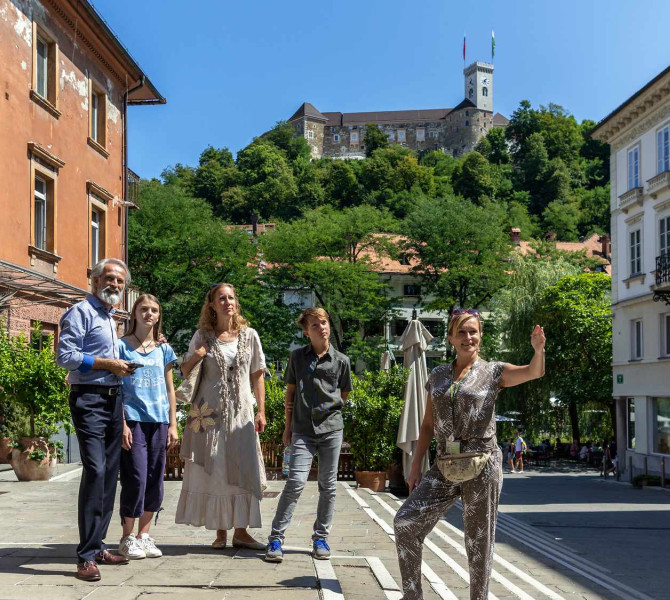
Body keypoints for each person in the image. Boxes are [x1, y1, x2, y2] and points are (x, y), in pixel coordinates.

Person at [393, 308, 545, 600]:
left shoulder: (493, 372)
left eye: (473, 331)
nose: (468, 337)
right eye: (461, 332)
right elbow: (427, 424)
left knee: (478, 542)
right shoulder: (437, 375)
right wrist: (415, 466)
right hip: (444, 463)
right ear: (451, 337)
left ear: (480, 335)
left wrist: (538, 350)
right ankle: (412, 596)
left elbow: (533, 371)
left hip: (482, 463)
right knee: (406, 522)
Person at [57, 258, 136, 582]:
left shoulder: (110, 317)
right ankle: (85, 557)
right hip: (88, 399)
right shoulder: (80, 312)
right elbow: (66, 356)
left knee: (109, 474)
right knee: (96, 469)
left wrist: (122, 365)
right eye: (109, 278)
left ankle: (99, 545)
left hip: (112, 399)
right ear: (93, 280)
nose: (115, 285)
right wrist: (107, 364)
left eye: (120, 281)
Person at [175, 284, 267, 550]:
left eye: (231, 297)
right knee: (215, 468)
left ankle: (241, 531)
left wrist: (261, 410)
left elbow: (257, 374)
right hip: (209, 414)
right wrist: (200, 353)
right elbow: (185, 370)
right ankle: (220, 532)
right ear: (212, 305)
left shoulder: (250, 336)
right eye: (221, 298)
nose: (227, 302)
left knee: (242, 466)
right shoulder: (202, 335)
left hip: (241, 414)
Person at [265, 307, 353, 563]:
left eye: (324, 322)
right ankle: (276, 538)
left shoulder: (342, 361)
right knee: (295, 483)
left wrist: (329, 412)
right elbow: (290, 393)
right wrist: (287, 426)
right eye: (315, 325)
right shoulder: (297, 358)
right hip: (302, 430)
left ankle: (320, 538)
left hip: (331, 430)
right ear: (306, 332)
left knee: (329, 487)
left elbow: (343, 394)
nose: (322, 327)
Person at [117, 295, 178, 559]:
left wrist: (174, 423)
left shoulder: (164, 350)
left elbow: (170, 388)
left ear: (158, 316)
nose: (149, 314)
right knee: (136, 477)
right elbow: (116, 387)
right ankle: (127, 537)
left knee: (155, 479)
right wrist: (121, 423)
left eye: (154, 310)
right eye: (144, 309)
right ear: (134, 314)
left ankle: (144, 535)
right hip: (133, 419)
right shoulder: (120, 347)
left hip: (160, 421)